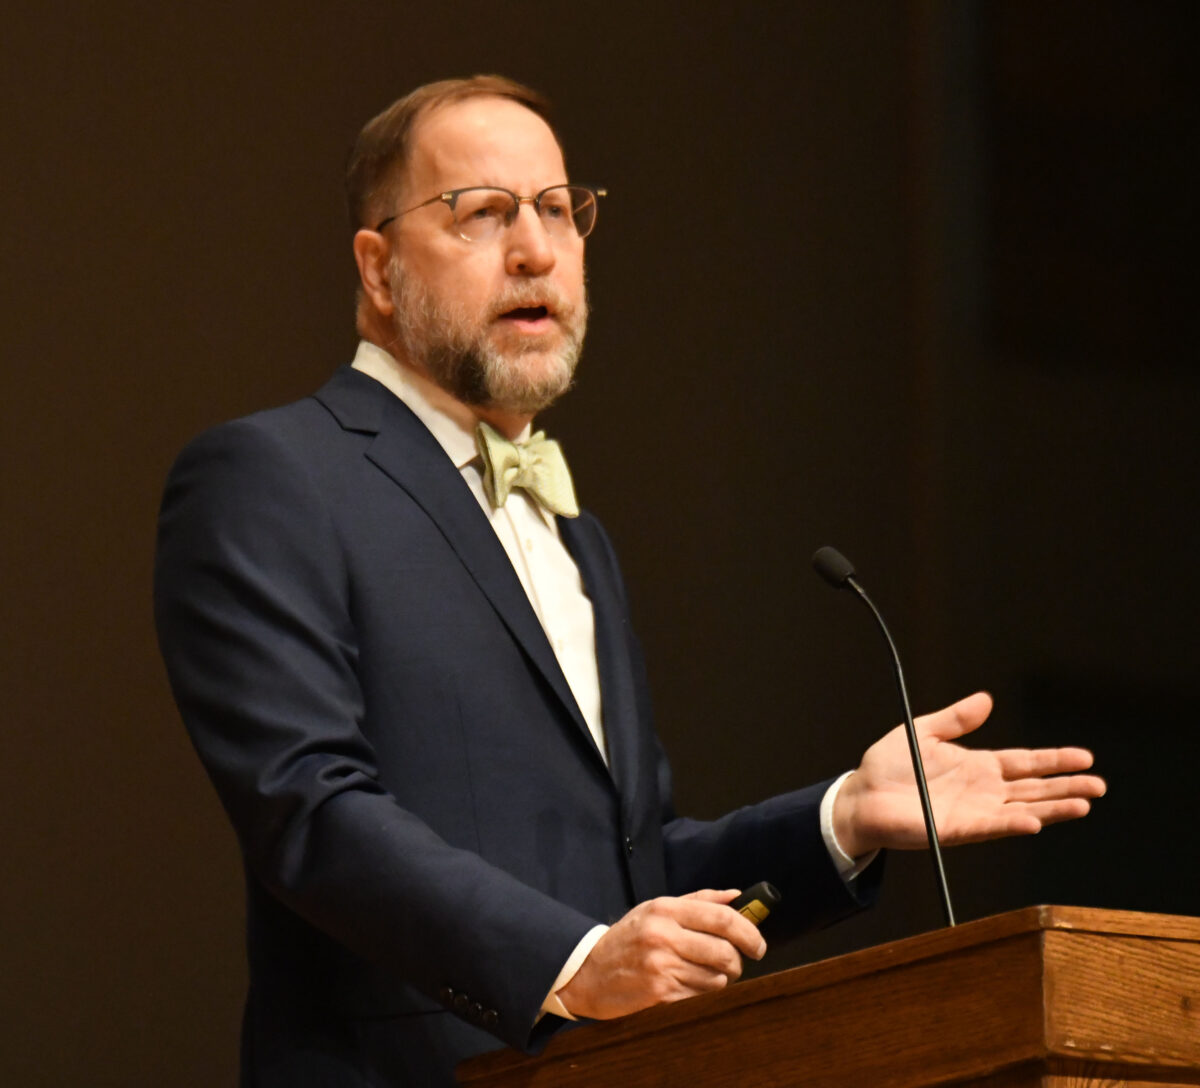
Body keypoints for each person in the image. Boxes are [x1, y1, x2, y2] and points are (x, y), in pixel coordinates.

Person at [153, 75, 1105, 1087]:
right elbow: (309, 810)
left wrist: (841, 819)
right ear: (379, 270)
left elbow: (636, 879)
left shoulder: (578, 540)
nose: (536, 249)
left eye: (560, 210)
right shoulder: (273, 477)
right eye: (481, 214)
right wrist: (569, 967)